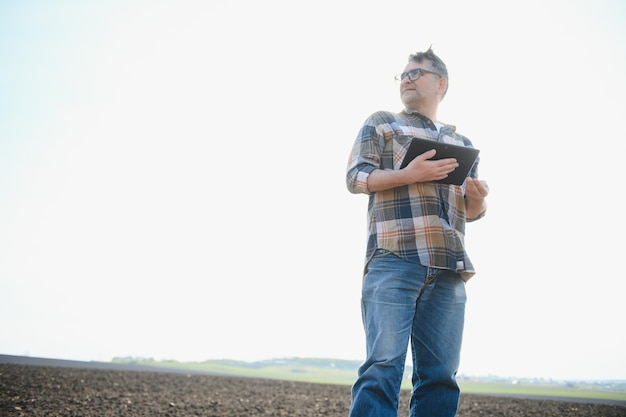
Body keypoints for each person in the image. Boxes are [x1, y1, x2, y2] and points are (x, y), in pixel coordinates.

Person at [345, 47, 489, 417]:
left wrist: (478, 200)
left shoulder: (464, 145)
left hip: (448, 267)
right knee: (382, 367)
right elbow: (356, 177)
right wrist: (410, 175)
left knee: (440, 377)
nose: (406, 79)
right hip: (394, 258)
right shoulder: (381, 123)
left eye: (416, 73)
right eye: (403, 75)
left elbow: (471, 212)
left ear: (441, 83)